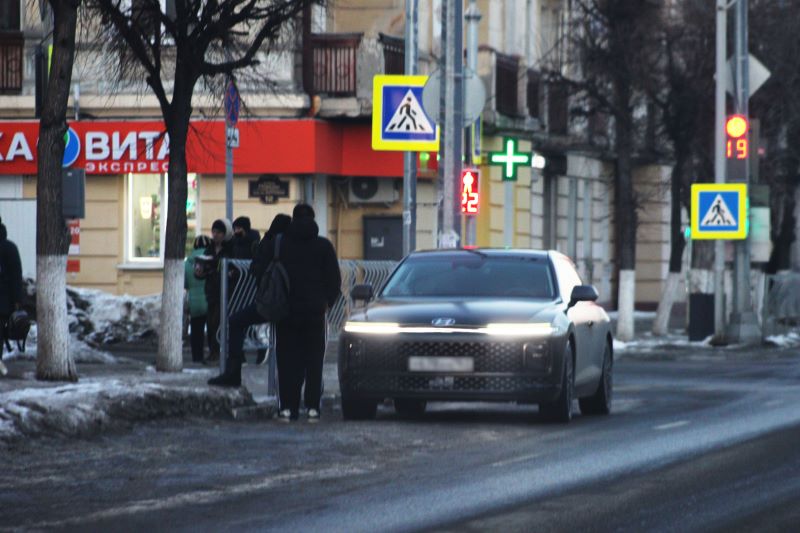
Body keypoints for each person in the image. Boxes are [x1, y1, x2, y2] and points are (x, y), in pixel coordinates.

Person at [272, 204, 341, 422]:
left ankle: (287, 408)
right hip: (314, 313)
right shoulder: (323, 246)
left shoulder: (281, 244)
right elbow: (334, 280)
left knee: (287, 360)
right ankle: (312, 408)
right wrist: (326, 303)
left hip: (286, 312)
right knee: (314, 360)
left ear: (293, 219)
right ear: (313, 219)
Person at [208, 213, 291, 387]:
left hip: (273, 302)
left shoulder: (270, 242)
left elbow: (256, 268)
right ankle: (306, 388)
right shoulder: (307, 244)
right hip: (302, 306)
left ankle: (233, 374)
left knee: (236, 322)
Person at [199, 218, 234, 364]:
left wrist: (224, 271)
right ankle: (214, 352)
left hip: (227, 293)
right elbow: (202, 269)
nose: (215, 235)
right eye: (213, 231)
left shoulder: (230, 249)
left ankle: (222, 353)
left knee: (220, 323)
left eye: (219, 232)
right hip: (212, 292)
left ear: (225, 234)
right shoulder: (209, 249)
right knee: (211, 323)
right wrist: (200, 271)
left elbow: (233, 268)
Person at [0, 217, 23, 375]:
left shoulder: (8, 248)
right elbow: (16, 276)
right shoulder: (10, 248)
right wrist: (17, 301)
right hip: (3, 303)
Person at [185, 235, 211, 363]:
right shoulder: (212, 260)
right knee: (212, 330)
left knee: (196, 332)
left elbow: (185, 284)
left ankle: (197, 357)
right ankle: (213, 355)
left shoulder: (187, 263)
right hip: (210, 301)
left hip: (194, 303)